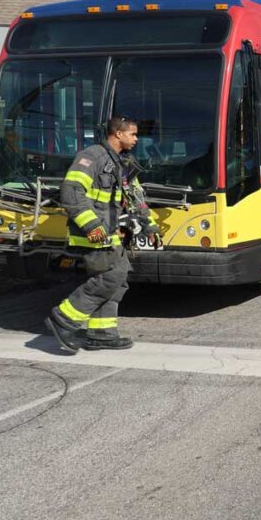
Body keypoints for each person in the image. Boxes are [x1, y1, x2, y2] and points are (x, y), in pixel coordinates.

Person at [44, 116, 159, 353]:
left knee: (118, 281)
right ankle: (63, 319)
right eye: (132, 134)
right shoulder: (92, 157)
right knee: (111, 277)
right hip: (93, 233)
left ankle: (102, 334)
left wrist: (150, 226)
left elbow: (135, 196)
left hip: (110, 232)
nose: (136, 139)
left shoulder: (122, 162)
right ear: (117, 134)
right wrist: (91, 226)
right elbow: (71, 191)